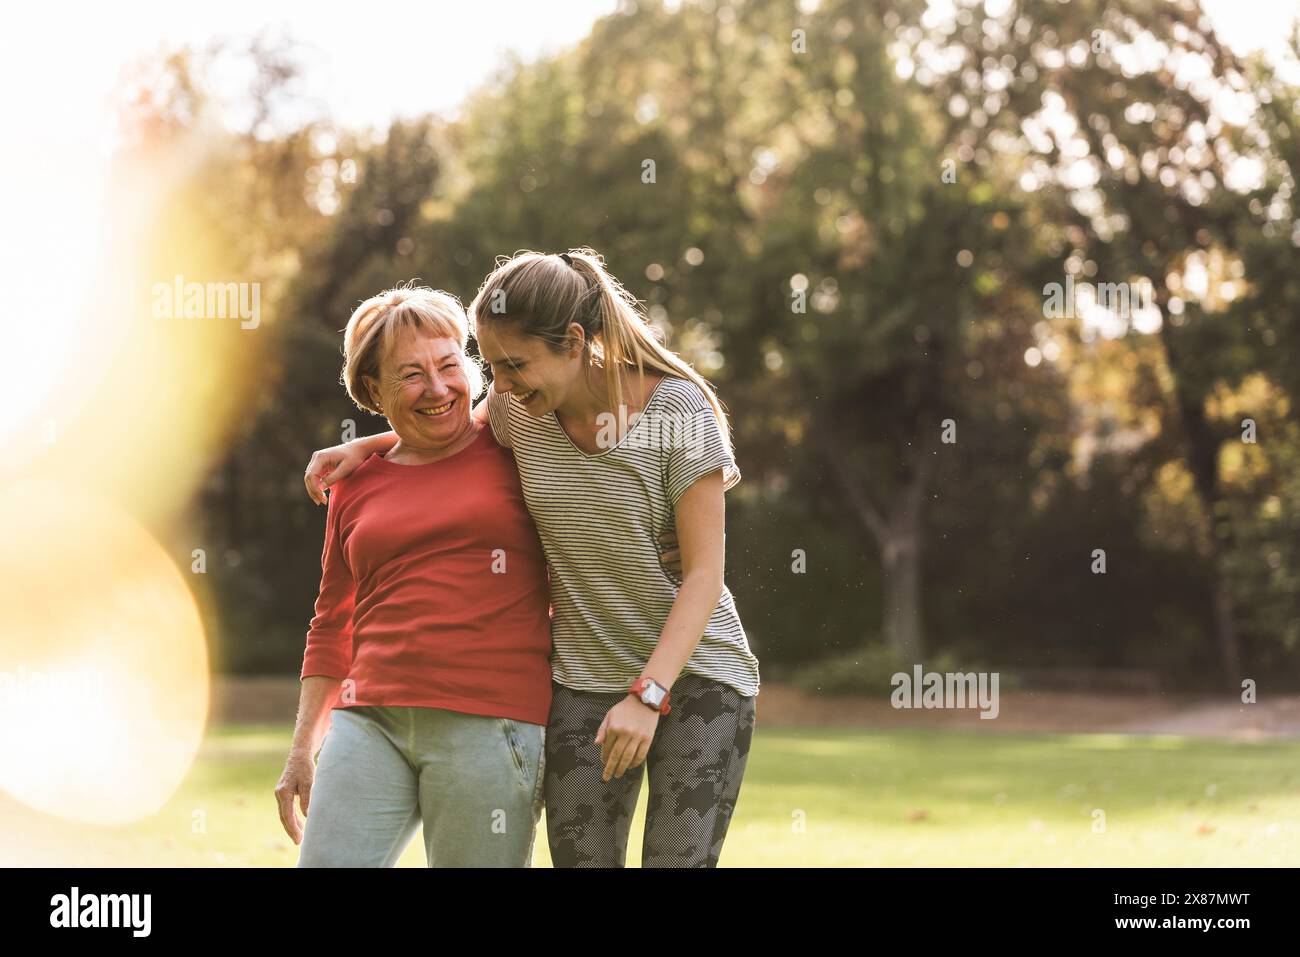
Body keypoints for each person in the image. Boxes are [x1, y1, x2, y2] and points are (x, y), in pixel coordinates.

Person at [304, 248, 759, 867]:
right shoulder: (522, 410)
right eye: (491, 366)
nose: (503, 384)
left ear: (574, 342)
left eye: (514, 365)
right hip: (582, 681)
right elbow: (448, 429)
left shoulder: (677, 413)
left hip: (697, 673)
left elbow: (705, 575)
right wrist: (366, 447)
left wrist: (648, 695)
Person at [275, 285, 552, 867]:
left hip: (489, 717)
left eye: (450, 365)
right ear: (374, 390)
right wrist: (302, 749)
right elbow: (331, 623)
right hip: (368, 720)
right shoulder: (353, 484)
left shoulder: (518, 443)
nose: (438, 388)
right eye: (411, 376)